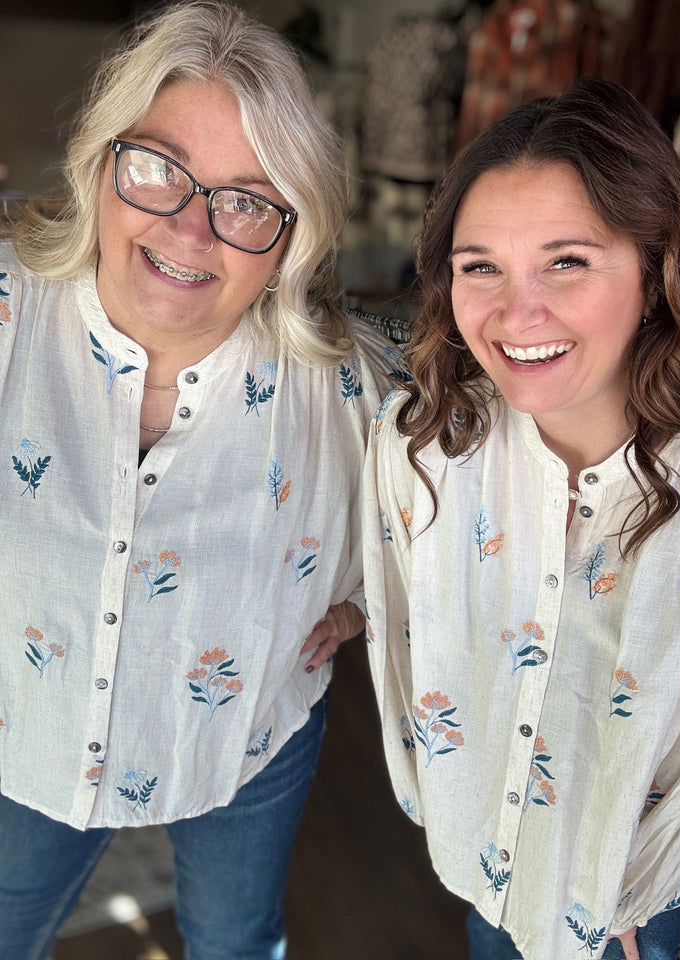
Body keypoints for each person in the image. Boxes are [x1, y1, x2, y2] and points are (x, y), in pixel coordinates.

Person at [0, 2, 405, 958]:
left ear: (292, 236)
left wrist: (373, 598)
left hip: (246, 737)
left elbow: (481, 496)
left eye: (247, 201)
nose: (190, 228)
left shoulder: (348, 383)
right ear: (100, 160)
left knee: (235, 941)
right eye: (157, 166)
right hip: (28, 727)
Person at [362, 76, 680, 960]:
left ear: (653, 270)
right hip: (478, 851)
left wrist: (634, 891)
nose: (517, 314)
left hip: (632, 901)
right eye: (480, 266)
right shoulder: (425, 444)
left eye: (567, 261)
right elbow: (408, 636)